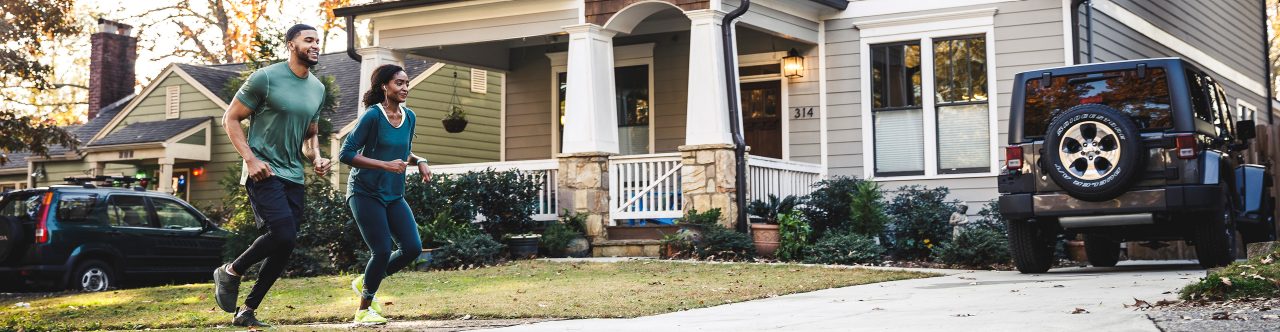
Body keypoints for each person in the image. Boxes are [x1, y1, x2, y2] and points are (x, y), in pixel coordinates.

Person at [211, 23, 332, 328]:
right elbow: (231, 118)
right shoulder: (266, 77)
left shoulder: (317, 89)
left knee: (285, 243)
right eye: (309, 40)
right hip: (263, 170)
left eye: (318, 40)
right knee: (283, 234)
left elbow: (309, 137)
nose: (316, 45)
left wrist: (316, 157)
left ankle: (247, 310)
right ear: (291, 44)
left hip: (293, 174)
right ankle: (231, 271)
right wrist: (250, 160)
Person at [340, 64, 432, 325]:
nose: (405, 88)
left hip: (393, 193)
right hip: (364, 192)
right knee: (381, 251)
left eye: (406, 83)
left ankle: (366, 280)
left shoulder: (409, 116)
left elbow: (403, 153)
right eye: (399, 83)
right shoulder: (372, 116)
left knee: (412, 248)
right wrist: (385, 165)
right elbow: (346, 153)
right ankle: (363, 309)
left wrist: (420, 160)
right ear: (384, 86)